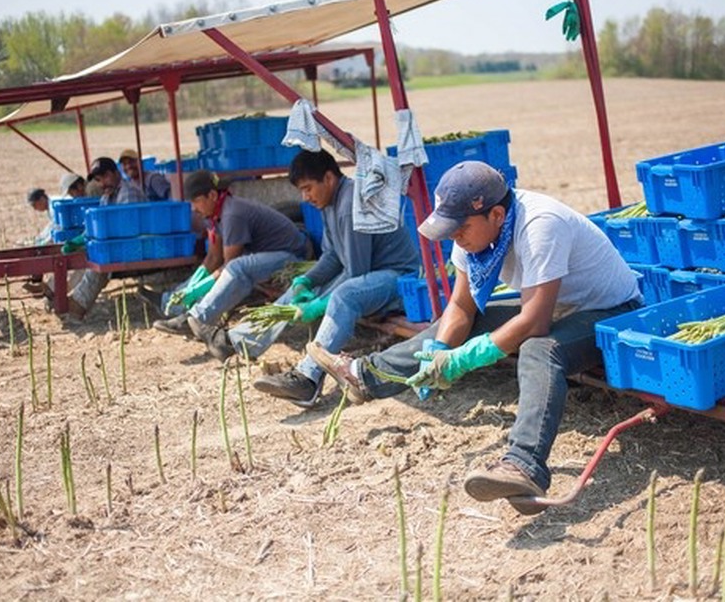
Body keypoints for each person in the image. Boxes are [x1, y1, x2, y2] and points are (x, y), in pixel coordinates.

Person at [307, 161, 644, 516]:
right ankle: (365, 375)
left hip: (611, 312)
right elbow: (462, 306)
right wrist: (438, 351)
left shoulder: (540, 225)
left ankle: (524, 465)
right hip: (559, 304)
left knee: (539, 350)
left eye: (461, 228)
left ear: (497, 215)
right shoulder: (471, 237)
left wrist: (466, 358)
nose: (456, 237)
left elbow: (534, 322)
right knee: (470, 321)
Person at [206, 149, 419, 407]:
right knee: (302, 291)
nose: (305, 198)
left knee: (344, 294)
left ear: (329, 178)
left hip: (397, 279)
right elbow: (332, 256)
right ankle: (243, 340)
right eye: (302, 191)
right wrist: (306, 281)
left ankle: (307, 378)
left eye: (308, 188)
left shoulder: (350, 205)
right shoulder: (331, 203)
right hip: (369, 277)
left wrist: (318, 304)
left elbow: (355, 272)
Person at [146, 169, 313, 337]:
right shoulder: (214, 214)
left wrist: (198, 289)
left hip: (292, 256)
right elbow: (213, 257)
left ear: (212, 195)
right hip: (268, 256)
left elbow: (228, 266)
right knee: (231, 270)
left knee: (238, 269)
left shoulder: (233, 214)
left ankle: (197, 319)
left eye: (196, 201)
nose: (193, 208)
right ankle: (172, 304)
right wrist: (192, 286)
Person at [62, 157, 147, 320]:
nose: (102, 184)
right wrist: (81, 240)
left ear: (116, 173)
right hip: (120, 245)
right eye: (99, 180)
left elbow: (127, 230)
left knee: (102, 261)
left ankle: (77, 307)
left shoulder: (128, 193)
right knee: (89, 254)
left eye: (105, 177)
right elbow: (97, 225)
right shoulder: (107, 196)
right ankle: (70, 297)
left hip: (136, 246)